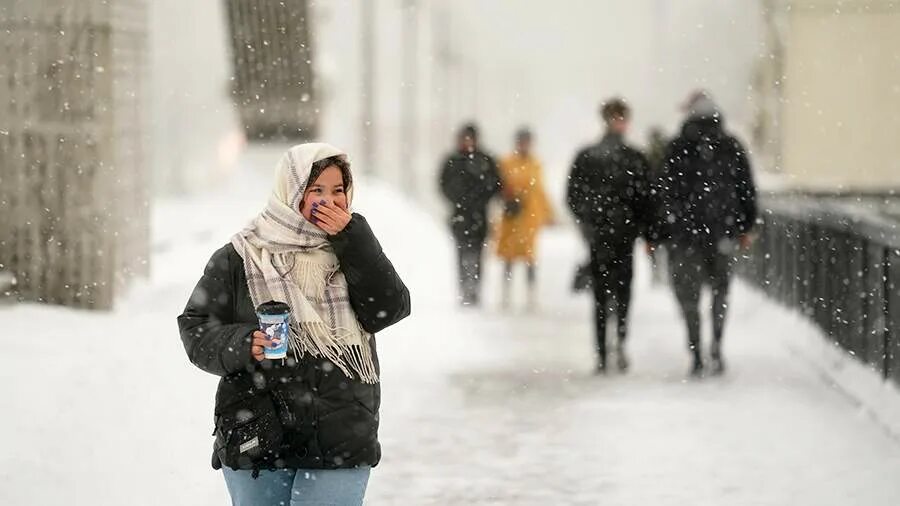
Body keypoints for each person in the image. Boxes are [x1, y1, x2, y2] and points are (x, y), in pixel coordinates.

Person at [177, 143, 410, 505]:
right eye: (316, 191)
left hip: (339, 436)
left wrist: (354, 239)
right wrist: (243, 343)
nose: (329, 202)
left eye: (338, 191)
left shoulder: (352, 250)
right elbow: (196, 327)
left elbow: (389, 309)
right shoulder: (242, 255)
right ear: (292, 192)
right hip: (257, 429)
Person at [654, 91, 757, 377]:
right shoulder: (731, 146)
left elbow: (663, 192)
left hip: (686, 237)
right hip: (722, 233)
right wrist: (745, 227)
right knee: (720, 292)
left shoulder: (676, 147)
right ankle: (717, 344)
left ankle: (696, 349)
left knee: (689, 298)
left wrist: (665, 230)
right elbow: (746, 190)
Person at [567, 98, 656, 374]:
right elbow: (647, 199)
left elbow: (574, 196)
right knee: (619, 293)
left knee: (603, 295)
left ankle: (606, 350)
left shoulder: (589, 156)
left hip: (604, 236)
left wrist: (590, 222)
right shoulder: (632, 157)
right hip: (619, 236)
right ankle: (615, 344)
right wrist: (646, 230)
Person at [439, 123, 502, 306]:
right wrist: (458, 199)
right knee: (461, 252)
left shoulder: (485, 160)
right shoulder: (453, 160)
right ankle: (464, 289)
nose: (467, 142)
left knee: (478, 253)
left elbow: (495, 184)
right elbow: (443, 185)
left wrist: (480, 199)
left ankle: (475, 288)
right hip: (459, 216)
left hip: (480, 216)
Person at [495, 128, 554, 310]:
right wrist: (508, 198)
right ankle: (505, 294)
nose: (524, 145)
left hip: (530, 217)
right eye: (521, 141)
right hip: (512, 216)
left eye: (527, 141)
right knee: (509, 257)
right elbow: (499, 186)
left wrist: (549, 213)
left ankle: (531, 295)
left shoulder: (535, 164)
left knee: (530, 257)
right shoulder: (506, 162)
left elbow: (540, 190)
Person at [645, 127, 669, 286]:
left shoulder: (648, 157)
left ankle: (656, 271)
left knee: (653, 241)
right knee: (666, 242)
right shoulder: (668, 155)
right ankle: (663, 271)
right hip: (665, 205)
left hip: (653, 206)